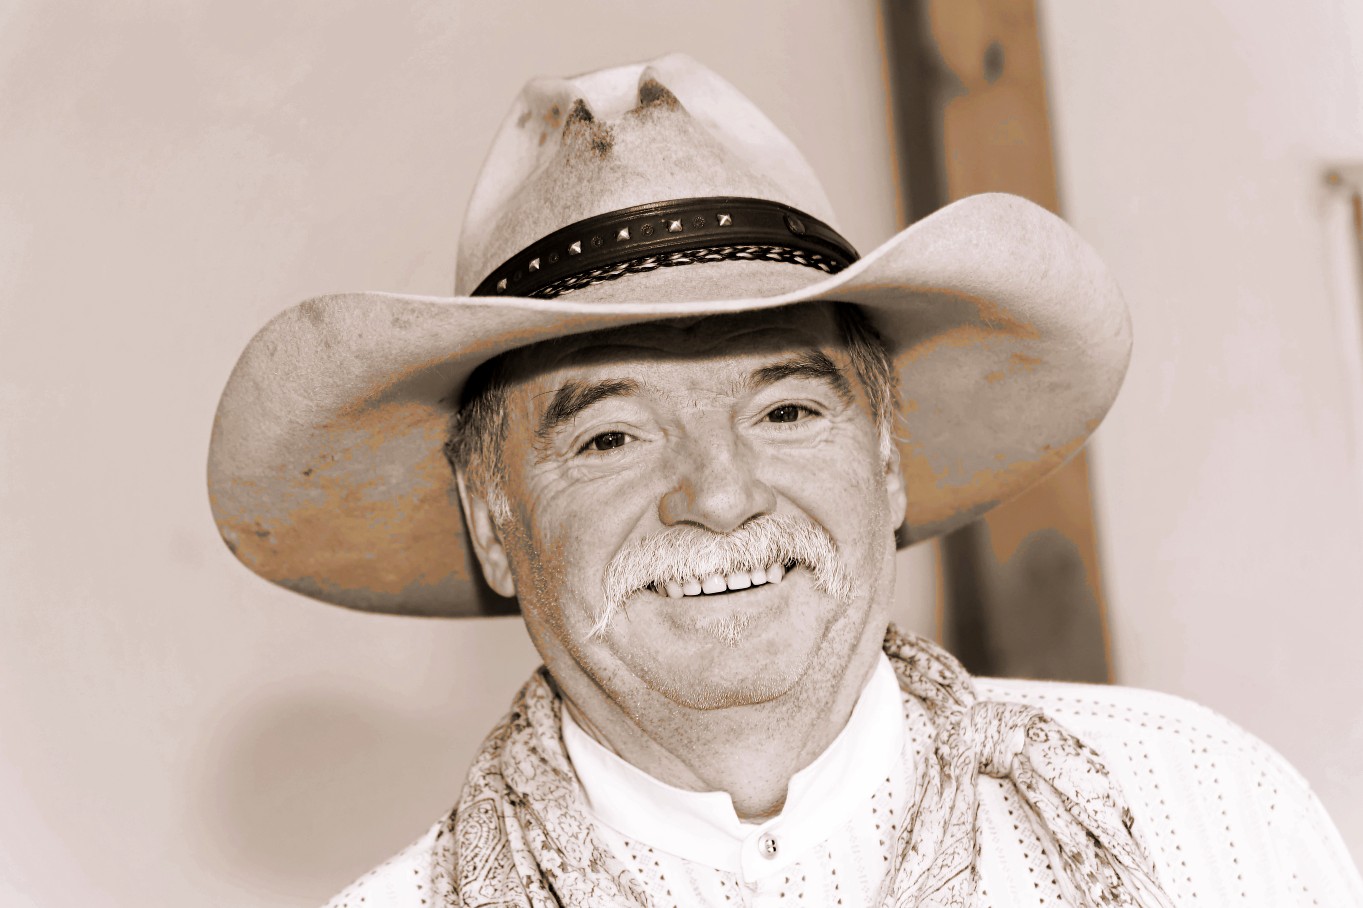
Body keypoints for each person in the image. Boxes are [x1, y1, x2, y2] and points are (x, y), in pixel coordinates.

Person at [208, 55, 1363, 907]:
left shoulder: (1205, 817)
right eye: (610, 437)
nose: (719, 494)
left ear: (886, 459)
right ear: (493, 521)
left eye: (786, 411)